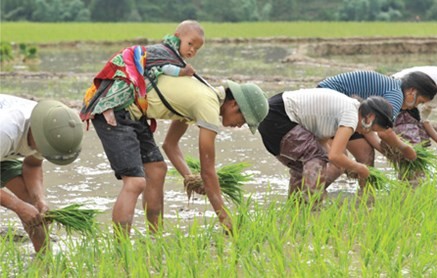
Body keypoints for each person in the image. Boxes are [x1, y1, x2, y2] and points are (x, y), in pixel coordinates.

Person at [83, 75, 268, 236]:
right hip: (113, 108)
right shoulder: (208, 105)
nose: (240, 125)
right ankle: (120, 249)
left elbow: (170, 145)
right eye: (244, 119)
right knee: (135, 182)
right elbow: (208, 172)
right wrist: (226, 219)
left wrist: (189, 178)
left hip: (132, 113)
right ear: (234, 104)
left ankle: (155, 239)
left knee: (157, 170)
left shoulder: (201, 96)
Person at [258, 88, 393, 202]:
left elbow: (322, 143)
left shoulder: (346, 110)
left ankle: (296, 211)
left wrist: (346, 166)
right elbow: (335, 156)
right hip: (280, 116)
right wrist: (360, 168)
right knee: (316, 157)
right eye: (372, 129)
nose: (366, 133)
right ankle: (313, 208)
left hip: (270, 117)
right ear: (369, 117)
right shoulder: (351, 114)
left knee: (301, 167)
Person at [81, 20, 205, 127]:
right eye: (190, 44)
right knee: (125, 85)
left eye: (196, 49)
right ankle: (105, 107)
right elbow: (166, 68)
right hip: (131, 60)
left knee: (130, 85)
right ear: (177, 36)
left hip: (136, 61)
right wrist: (183, 72)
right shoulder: (168, 52)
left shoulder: (174, 55)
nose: (192, 50)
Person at [0, 94, 83, 253]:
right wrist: (17, 206)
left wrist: (39, 199)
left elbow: (32, 166)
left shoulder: (50, 127)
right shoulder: (6, 129)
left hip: (5, 151)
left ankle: (44, 259)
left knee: (33, 210)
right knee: (23, 207)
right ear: (38, 137)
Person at [317, 70, 437, 167]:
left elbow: (367, 128)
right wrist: (403, 151)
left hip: (328, 98)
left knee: (365, 156)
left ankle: (365, 196)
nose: (416, 106)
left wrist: (388, 153)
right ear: (412, 91)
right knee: (339, 163)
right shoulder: (396, 97)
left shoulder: (392, 86)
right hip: (329, 102)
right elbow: (385, 133)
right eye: (420, 101)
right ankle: (310, 194)